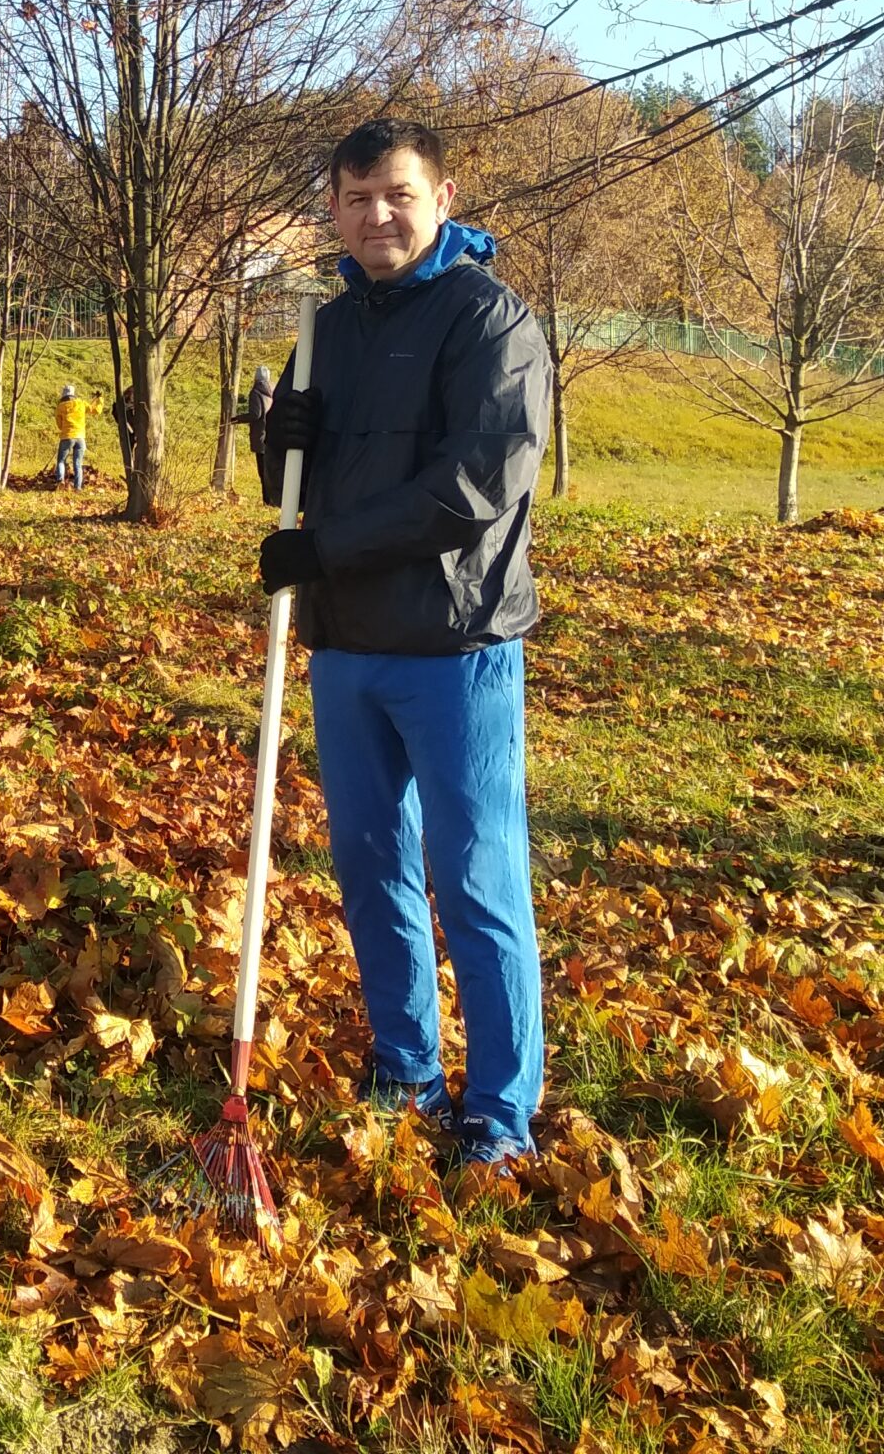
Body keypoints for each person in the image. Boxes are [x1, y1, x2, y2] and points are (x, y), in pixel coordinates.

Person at [255, 117, 552, 1170]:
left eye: (397, 194)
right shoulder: (326, 329)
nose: (376, 215)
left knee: (475, 878)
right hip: (346, 648)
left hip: (453, 642)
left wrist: (326, 548)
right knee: (372, 863)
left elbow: (474, 486)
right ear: (332, 210)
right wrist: (278, 443)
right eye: (355, 198)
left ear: (442, 199)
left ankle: (500, 1112)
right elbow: (298, 491)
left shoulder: (489, 321)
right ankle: (405, 1069)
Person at [52, 383, 87, 490]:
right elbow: (96, 410)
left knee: (61, 461)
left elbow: (59, 425)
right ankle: (78, 487)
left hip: (67, 437)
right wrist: (99, 399)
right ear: (73, 395)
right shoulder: (81, 404)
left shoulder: (60, 407)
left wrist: (65, 429)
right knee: (78, 463)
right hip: (80, 437)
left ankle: (60, 481)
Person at [246, 363, 276, 458]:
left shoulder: (255, 392)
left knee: (261, 464)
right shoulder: (274, 390)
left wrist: (235, 419)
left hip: (259, 435)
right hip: (271, 435)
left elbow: (255, 414)